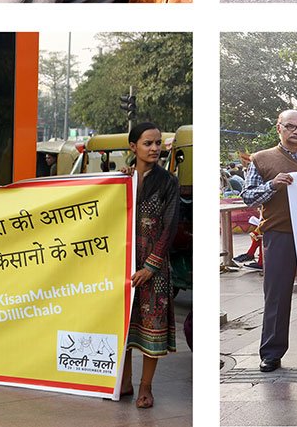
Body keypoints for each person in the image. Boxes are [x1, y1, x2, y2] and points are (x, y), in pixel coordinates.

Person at [240, 110, 297, 372]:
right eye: (290, 126)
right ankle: (271, 352)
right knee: (277, 294)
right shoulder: (262, 160)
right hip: (279, 234)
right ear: (279, 128)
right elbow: (248, 197)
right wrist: (272, 186)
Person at [122, 121, 181, 409]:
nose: (155, 148)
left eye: (158, 143)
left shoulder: (168, 182)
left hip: (153, 268)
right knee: (123, 325)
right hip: (121, 264)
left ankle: (146, 385)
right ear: (133, 147)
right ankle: (124, 380)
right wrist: (121, 181)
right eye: (148, 143)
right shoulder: (122, 180)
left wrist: (151, 267)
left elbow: (169, 228)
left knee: (151, 326)